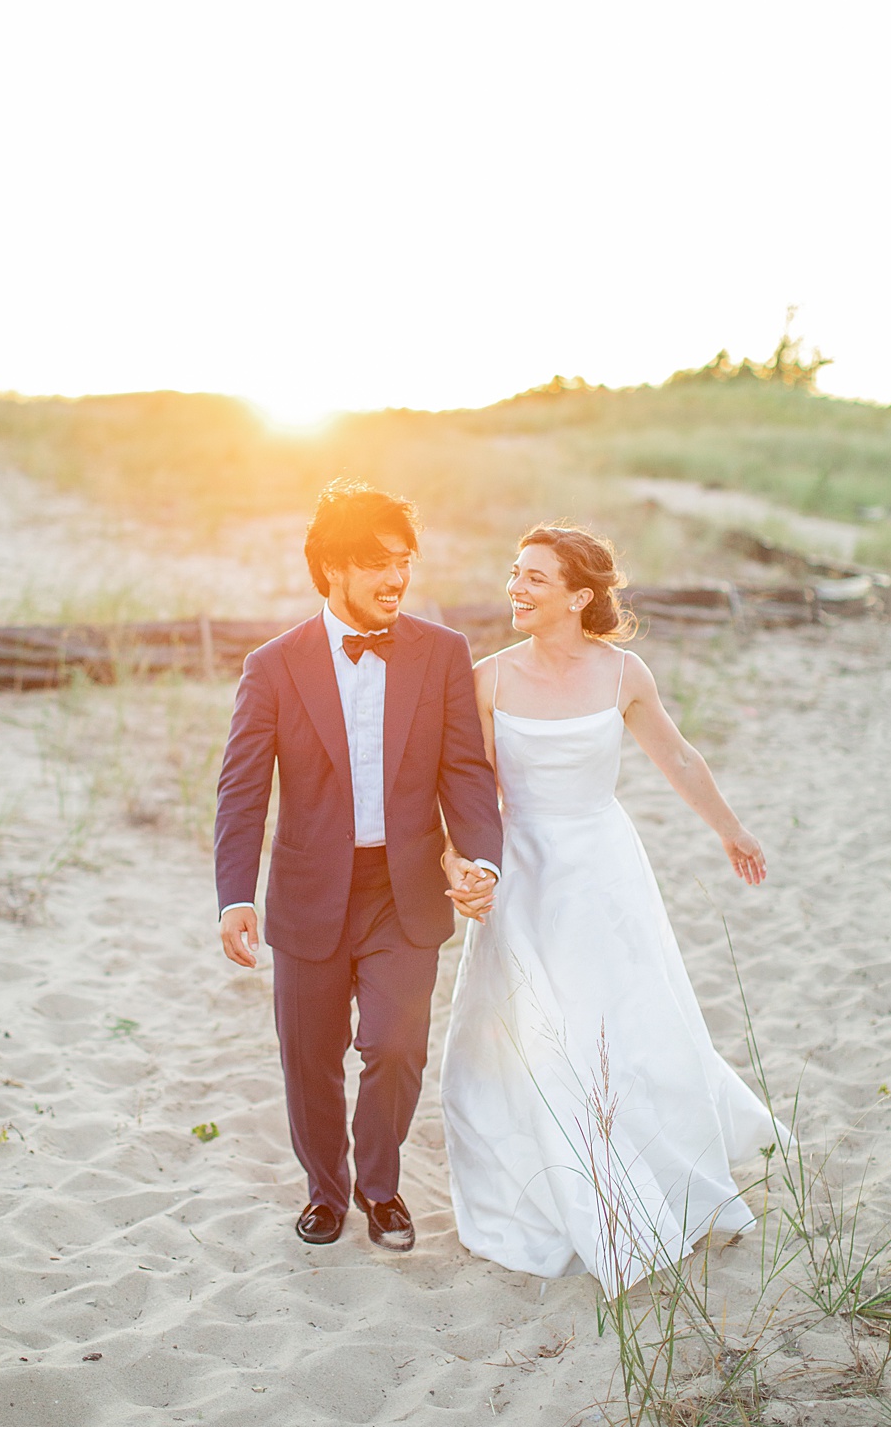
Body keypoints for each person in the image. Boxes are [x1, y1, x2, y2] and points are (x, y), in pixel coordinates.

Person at [440, 524, 779, 1294]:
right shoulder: (488, 679)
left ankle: (648, 1158)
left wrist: (731, 829)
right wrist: (461, 865)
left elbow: (680, 757)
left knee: (620, 1018)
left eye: (533, 578)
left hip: (603, 869)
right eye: (514, 573)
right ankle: (545, 1180)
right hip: (522, 872)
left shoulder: (624, 673)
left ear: (579, 596)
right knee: (531, 1028)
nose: (515, 589)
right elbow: (464, 795)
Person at [213, 480, 502, 1253]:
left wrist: (479, 859)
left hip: (402, 891)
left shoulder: (442, 654)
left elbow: (467, 773)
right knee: (309, 1057)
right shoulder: (272, 667)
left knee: (395, 1045)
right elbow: (242, 793)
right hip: (309, 895)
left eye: (403, 562)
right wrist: (233, 897)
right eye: (377, 563)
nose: (396, 579)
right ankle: (326, 1192)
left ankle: (381, 1186)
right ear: (332, 567)